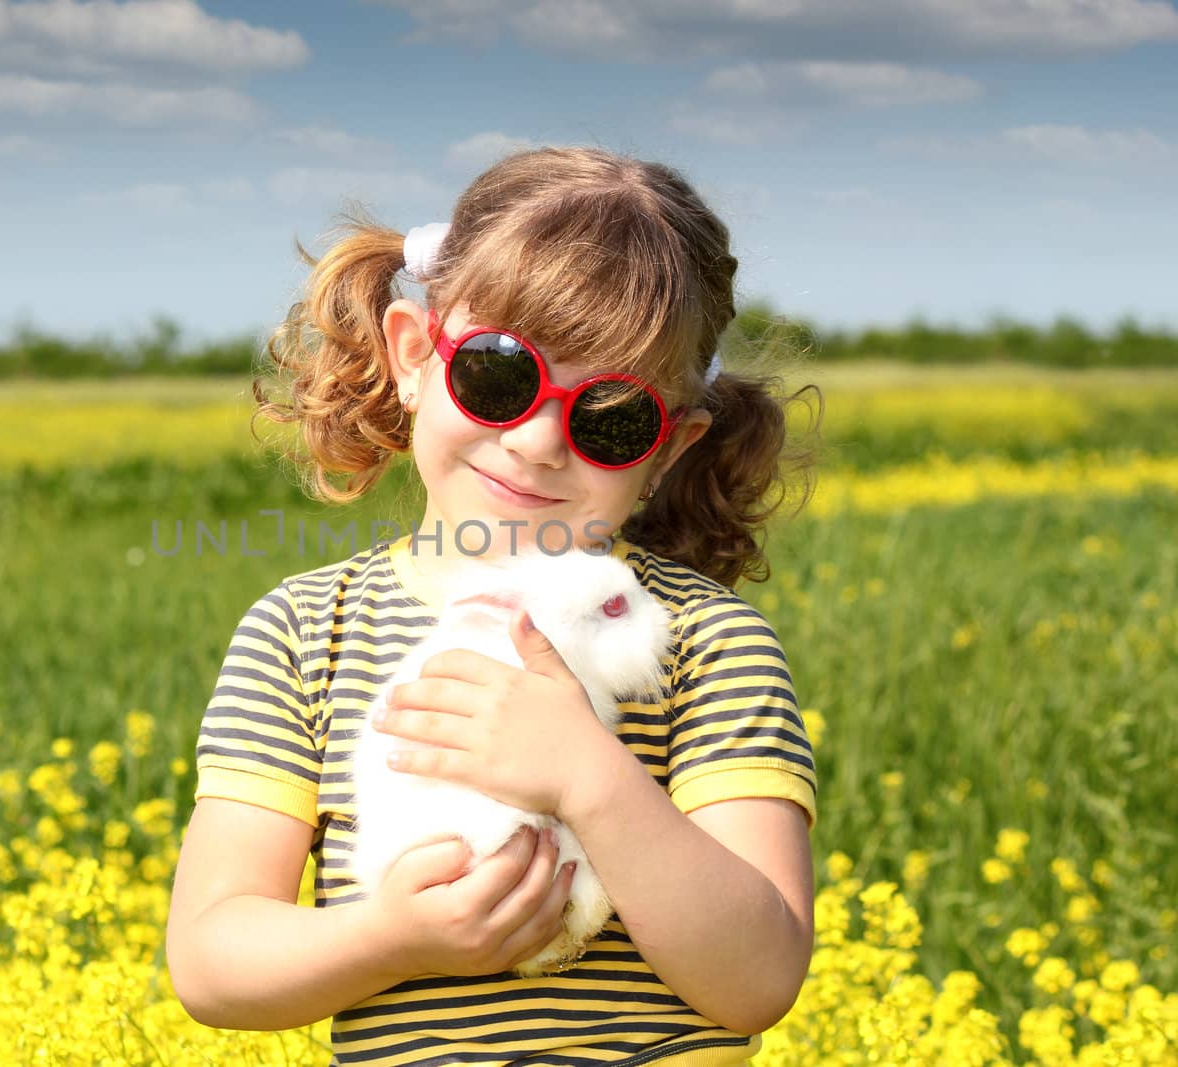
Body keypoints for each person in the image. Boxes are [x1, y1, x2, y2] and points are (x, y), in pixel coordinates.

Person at [165, 146, 819, 1066]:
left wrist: (589, 777)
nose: (542, 439)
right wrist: (390, 937)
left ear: (669, 447)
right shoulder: (308, 632)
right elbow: (209, 960)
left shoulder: (704, 642)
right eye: (502, 376)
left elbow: (757, 979)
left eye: (612, 416)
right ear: (414, 357)